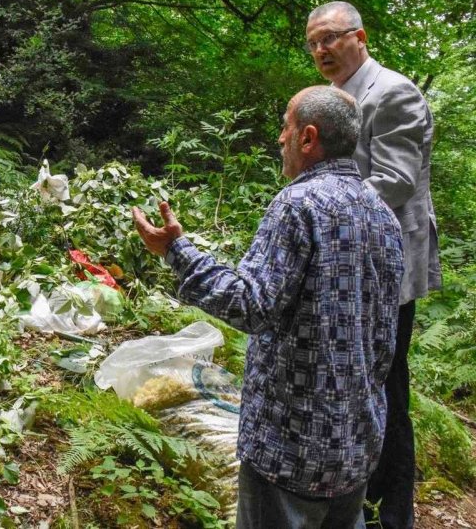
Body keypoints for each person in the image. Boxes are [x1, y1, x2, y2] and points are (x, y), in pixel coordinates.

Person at [132, 86, 403, 529]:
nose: (280, 138)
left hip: (290, 449)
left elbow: (250, 303)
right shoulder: (382, 214)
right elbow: (382, 334)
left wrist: (177, 251)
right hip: (356, 446)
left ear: (308, 137)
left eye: (285, 126)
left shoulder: (298, 205)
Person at [306, 1, 441, 529]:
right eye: (313, 43)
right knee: (354, 377)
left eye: (330, 39)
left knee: (386, 381)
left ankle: (396, 510)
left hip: (390, 264)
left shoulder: (392, 92)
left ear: (359, 37)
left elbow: (397, 178)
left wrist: (319, 206)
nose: (321, 50)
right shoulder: (335, 97)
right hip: (349, 262)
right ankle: (355, 495)